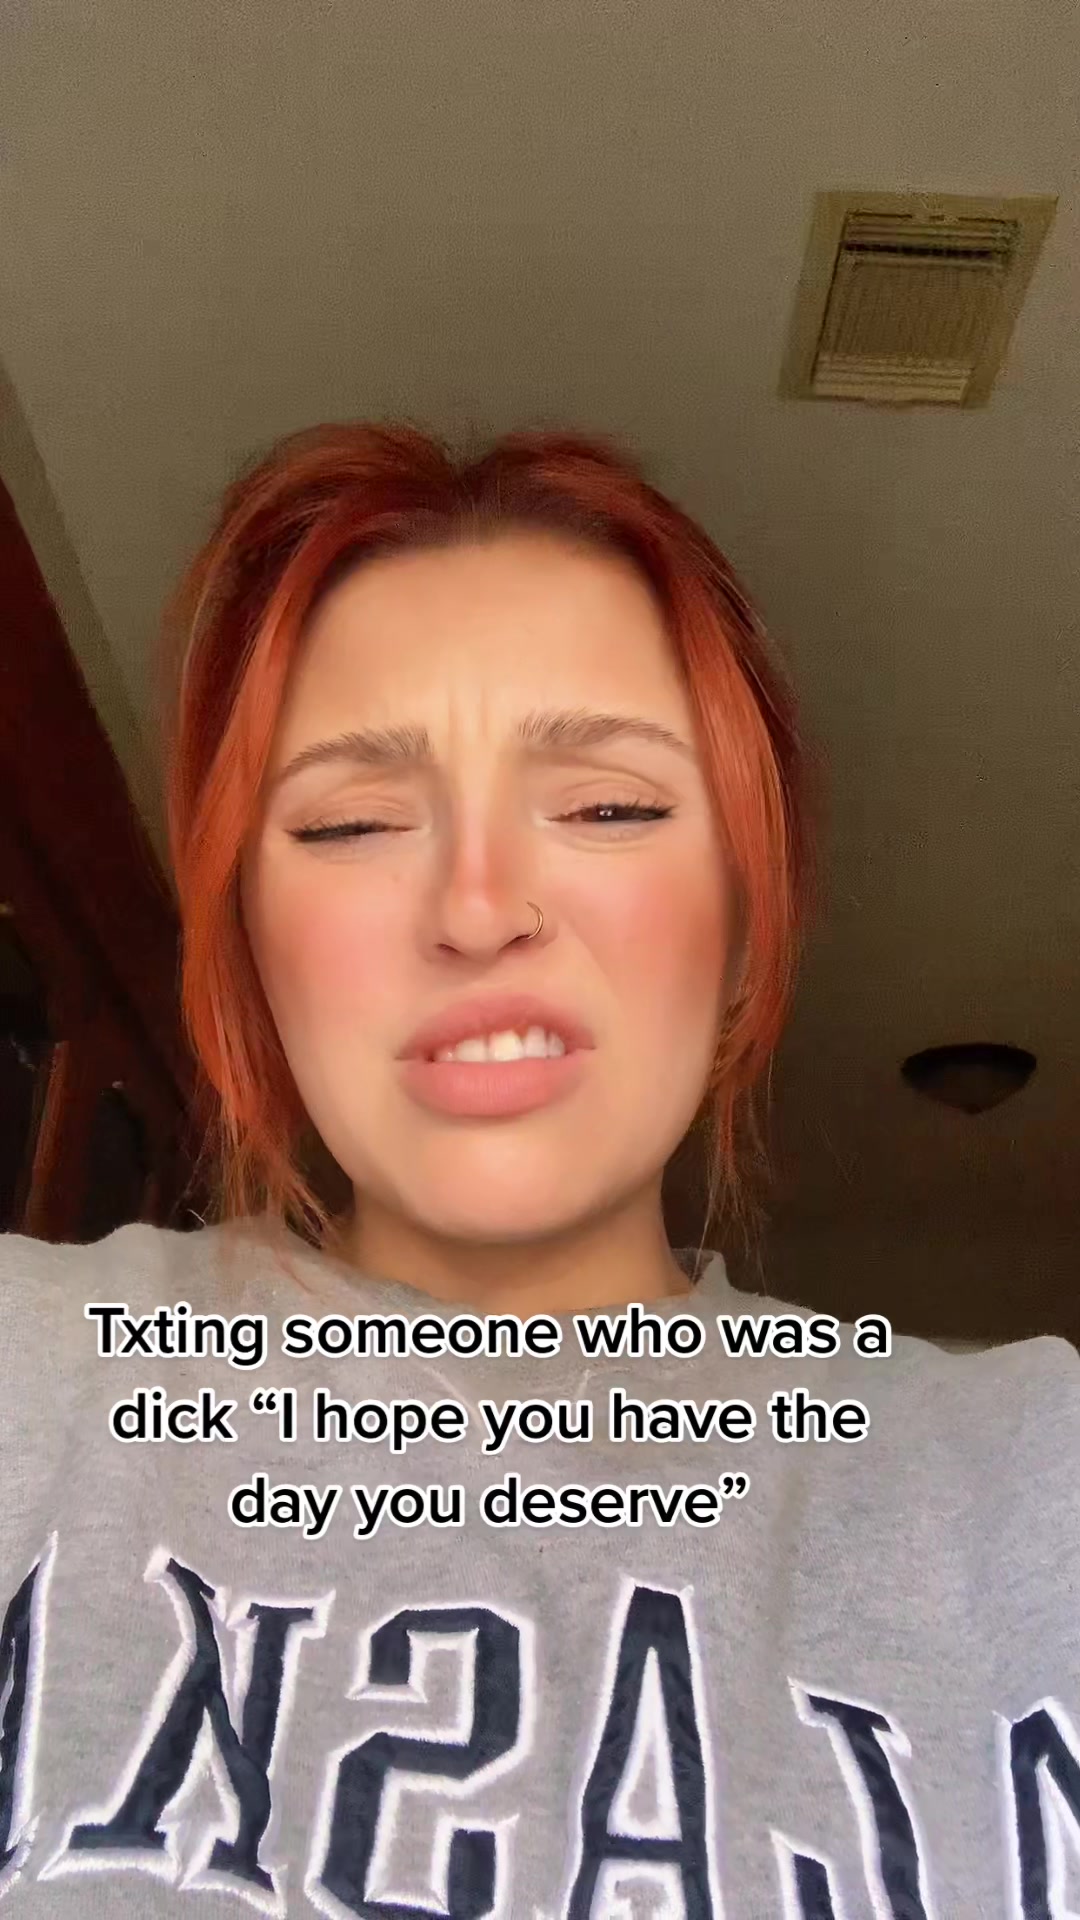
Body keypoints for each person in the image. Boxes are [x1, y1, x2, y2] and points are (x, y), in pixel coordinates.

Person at [0, 420, 1075, 1920]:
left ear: (745, 920)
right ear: (252, 944)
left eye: (610, 806)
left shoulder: (1032, 1478)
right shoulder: (37, 1376)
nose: (478, 905)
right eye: (353, 822)